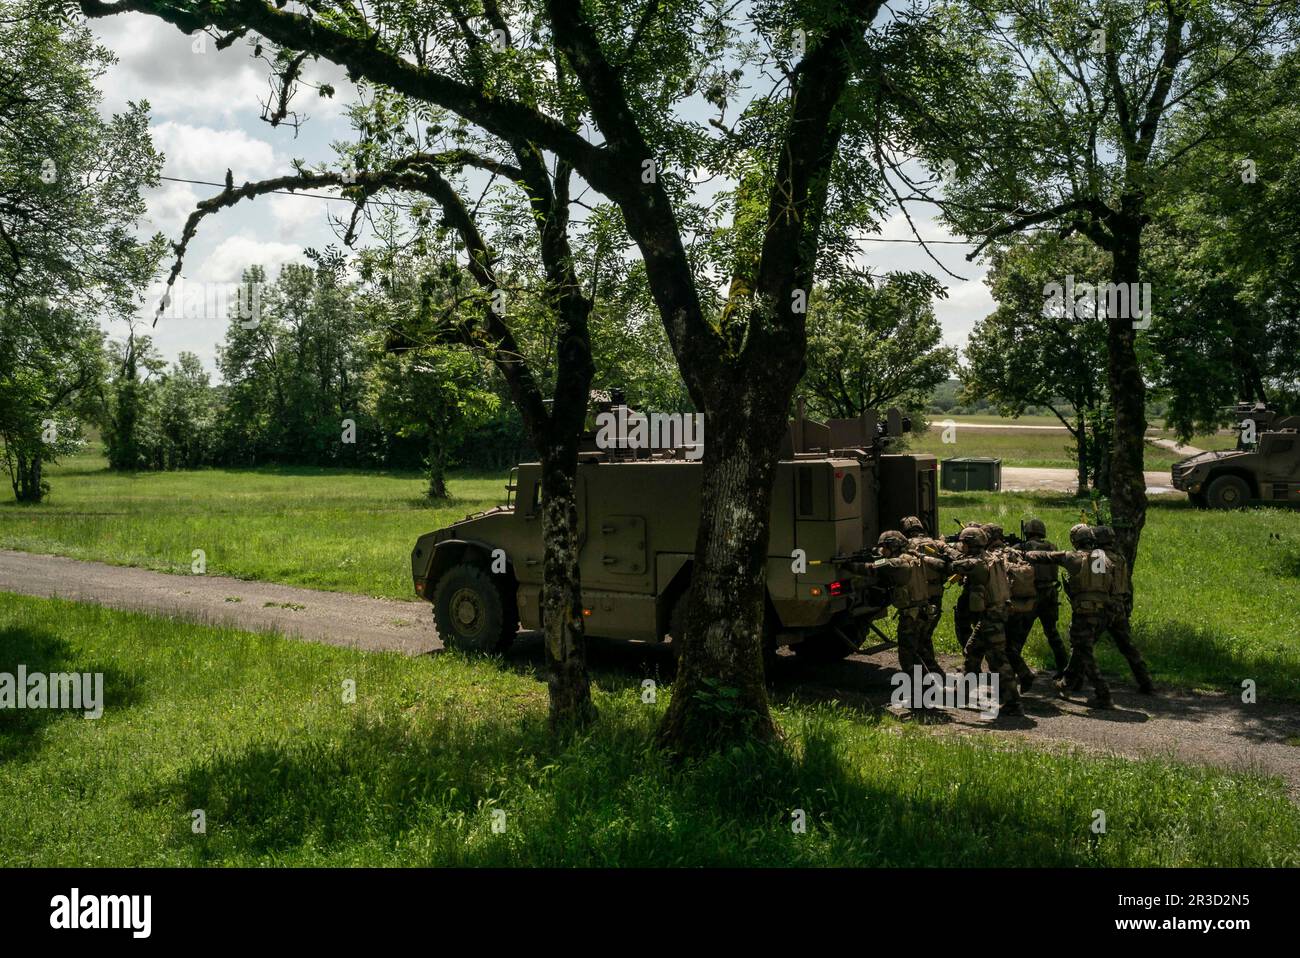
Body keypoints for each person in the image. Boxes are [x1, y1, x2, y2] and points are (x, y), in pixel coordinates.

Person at [1023, 524, 1114, 709]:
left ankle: (1103, 694)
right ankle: (1067, 683)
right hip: (1104, 612)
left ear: (1075, 541)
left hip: (1085, 612)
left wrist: (1027, 554)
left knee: (1085, 652)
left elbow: (1047, 557)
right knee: (1080, 648)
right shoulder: (1103, 558)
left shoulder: (1074, 558)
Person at [850, 531, 947, 695]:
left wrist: (849, 564)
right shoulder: (913, 558)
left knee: (908, 657)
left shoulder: (898, 563)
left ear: (892, 547)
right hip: (923, 612)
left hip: (912, 616)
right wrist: (873, 556)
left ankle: (922, 693)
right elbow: (883, 562)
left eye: (884, 548)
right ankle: (936, 681)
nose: (882, 551)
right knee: (919, 651)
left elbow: (874, 568)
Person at [949, 525, 1022, 716]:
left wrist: (942, 549)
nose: (961, 546)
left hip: (991, 617)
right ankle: (963, 693)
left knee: (997, 660)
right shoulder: (990, 557)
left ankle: (1013, 702)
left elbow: (952, 565)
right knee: (972, 651)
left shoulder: (977, 563)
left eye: (963, 543)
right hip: (994, 614)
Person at [1091, 525, 1156, 694]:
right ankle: (1146, 681)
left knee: (1083, 646)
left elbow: (1097, 582)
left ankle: (1071, 681)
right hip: (1118, 607)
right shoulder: (1120, 557)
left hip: (1103, 607)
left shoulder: (1098, 557)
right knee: (1128, 647)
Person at [1013, 517, 1070, 675]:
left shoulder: (1022, 548)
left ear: (1027, 532)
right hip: (1050, 594)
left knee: (1020, 633)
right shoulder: (1052, 546)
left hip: (1032, 595)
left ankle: (1014, 668)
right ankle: (1063, 667)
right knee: (1052, 633)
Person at [900, 515, 955, 664]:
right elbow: (953, 556)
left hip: (917, 599)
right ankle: (932, 672)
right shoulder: (936, 543)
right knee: (925, 636)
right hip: (936, 595)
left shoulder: (905, 545)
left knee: (913, 640)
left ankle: (924, 675)